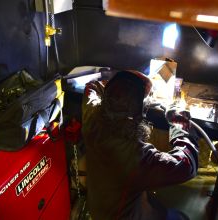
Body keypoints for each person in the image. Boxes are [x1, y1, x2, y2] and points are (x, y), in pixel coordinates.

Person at [82, 70, 198, 220]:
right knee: (181, 217)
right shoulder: (135, 157)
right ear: (138, 112)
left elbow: (90, 87)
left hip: (99, 209)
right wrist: (179, 121)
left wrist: (125, 80)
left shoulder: (91, 117)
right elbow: (187, 165)